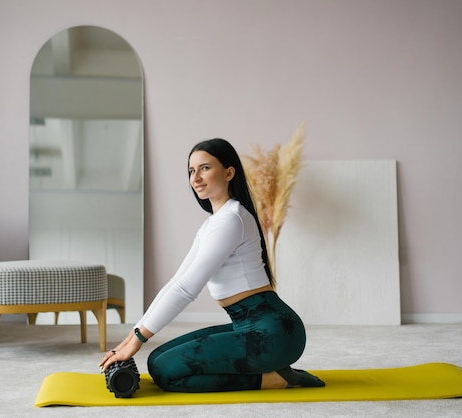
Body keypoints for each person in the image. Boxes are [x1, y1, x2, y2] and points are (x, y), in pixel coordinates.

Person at [99, 138, 324, 393]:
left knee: (166, 372)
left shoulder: (233, 219)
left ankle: (275, 379)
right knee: (156, 360)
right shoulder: (212, 224)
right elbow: (176, 282)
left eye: (205, 168)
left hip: (274, 333)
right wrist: (129, 339)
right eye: (191, 171)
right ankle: (275, 372)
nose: (196, 177)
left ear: (229, 172)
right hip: (248, 326)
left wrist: (137, 341)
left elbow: (186, 289)